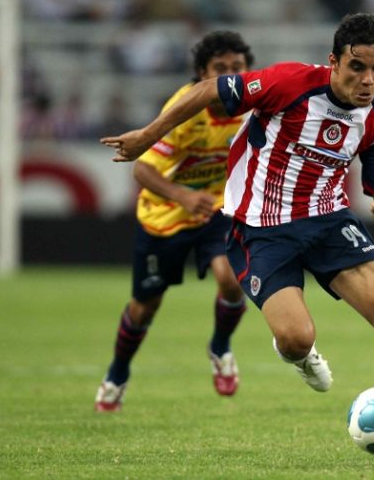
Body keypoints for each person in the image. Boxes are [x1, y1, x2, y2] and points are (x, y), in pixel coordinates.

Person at [102, 13, 374, 462]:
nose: (368, 79)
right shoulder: (290, 82)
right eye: (357, 66)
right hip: (260, 228)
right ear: (334, 61)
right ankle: (299, 354)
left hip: (328, 221)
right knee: (295, 339)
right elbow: (209, 89)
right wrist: (148, 137)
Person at [95, 30, 255, 412]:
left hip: (215, 210)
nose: (230, 77)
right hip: (164, 216)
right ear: (202, 74)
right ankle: (117, 373)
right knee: (145, 305)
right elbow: (143, 171)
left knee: (230, 279)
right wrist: (184, 196)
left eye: (238, 68)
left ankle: (220, 348)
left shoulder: (252, 106)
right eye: (220, 69)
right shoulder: (185, 110)